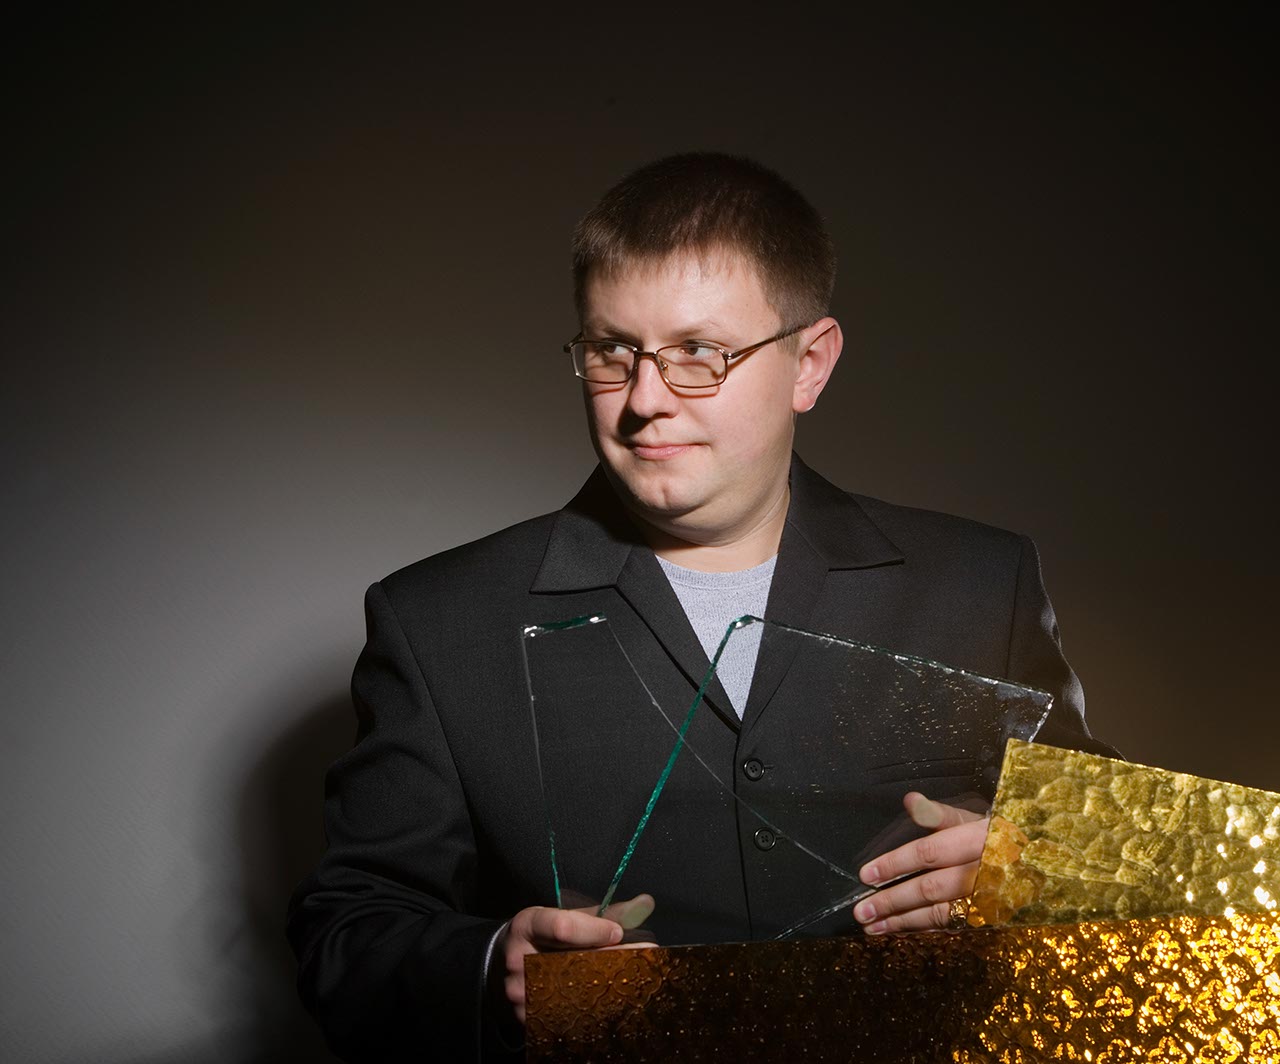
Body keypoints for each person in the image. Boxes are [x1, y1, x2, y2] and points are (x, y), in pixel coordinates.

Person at [287, 153, 1116, 1062]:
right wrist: (491, 970)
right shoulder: (437, 621)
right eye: (612, 351)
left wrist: (1035, 870)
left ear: (810, 364)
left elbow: (1124, 860)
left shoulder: (982, 581)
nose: (644, 401)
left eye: (697, 353)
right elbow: (347, 934)